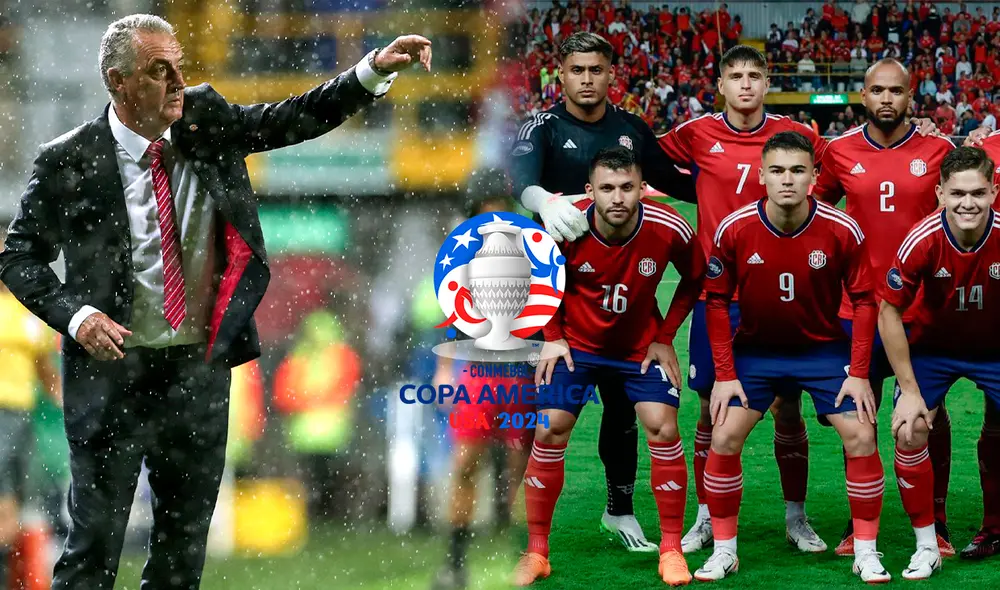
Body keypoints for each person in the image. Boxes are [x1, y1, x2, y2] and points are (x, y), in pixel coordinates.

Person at [0, 14, 431, 589]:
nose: (177, 81)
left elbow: (289, 119)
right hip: (110, 376)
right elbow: (17, 257)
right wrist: (76, 317)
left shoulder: (206, 119)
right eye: (158, 71)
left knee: (181, 556)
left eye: (178, 65)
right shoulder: (69, 160)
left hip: (195, 372)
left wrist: (370, 72)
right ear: (117, 81)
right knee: (92, 551)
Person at [510, 31, 696, 553]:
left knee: (623, 406)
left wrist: (738, 178)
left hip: (618, 287)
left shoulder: (631, 129)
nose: (587, 79)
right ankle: (516, 518)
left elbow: (673, 180)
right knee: (541, 410)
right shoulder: (542, 125)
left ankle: (619, 510)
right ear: (561, 75)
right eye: (577, 70)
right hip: (548, 287)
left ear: (611, 74)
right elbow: (517, 177)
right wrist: (541, 200)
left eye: (596, 70)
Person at [657, 44, 830, 554]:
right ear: (722, 86)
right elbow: (645, 156)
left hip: (782, 294)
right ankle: (707, 515)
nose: (747, 84)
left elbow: (832, 174)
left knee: (787, 407)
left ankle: (796, 516)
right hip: (721, 295)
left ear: (766, 82)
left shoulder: (799, 136)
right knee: (712, 410)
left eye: (755, 75)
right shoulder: (693, 133)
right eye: (736, 76)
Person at [698, 131, 887, 583]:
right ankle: (725, 550)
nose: (788, 180)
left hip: (821, 351)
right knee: (723, 436)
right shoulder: (736, 228)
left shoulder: (842, 229)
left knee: (861, 434)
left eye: (798, 171)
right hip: (757, 354)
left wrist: (859, 374)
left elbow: (865, 301)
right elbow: (717, 301)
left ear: (814, 177)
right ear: (761, 176)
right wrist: (725, 375)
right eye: (778, 171)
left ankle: (866, 551)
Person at [512, 147, 704, 586]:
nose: (617, 198)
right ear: (589, 191)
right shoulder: (563, 223)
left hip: (639, 349)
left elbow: (695, 278)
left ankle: (672, 549)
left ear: (642, 189)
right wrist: (553, 337)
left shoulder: (669, 226)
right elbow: (539, 280)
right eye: (607, 189)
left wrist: (664, 336)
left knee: (663, 427)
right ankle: (537, 552)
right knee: (549, 428)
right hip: (575, 347)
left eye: (626, 188)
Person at [812, 57, 957, 557]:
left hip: (924, 310)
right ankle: (861, 525)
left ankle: (936, 523)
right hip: (859, 310)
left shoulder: (940, 149)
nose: (887, 99)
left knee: (928, 417)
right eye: (878, 90)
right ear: (863, 95)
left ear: (910, 95)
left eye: (897, 91)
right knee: (861, 417)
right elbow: (820, 213)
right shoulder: (837, 151)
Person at [881, 147, 1000, 568]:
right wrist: (909, 390)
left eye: (979, 192)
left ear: (994, 191)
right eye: (957, 193)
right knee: (909, 427)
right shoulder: (922, 238)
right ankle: (930, 540)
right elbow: (889, 311)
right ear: (939, 194)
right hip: (933, 350)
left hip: (994, 350)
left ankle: (994, 527)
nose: (968, 203)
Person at [430, 184, 534, 590]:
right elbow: (451, 317)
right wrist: (442, 371)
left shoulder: (531, 255)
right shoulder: (459, 262)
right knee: (465, 465)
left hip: (518, 372)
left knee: (520, 470)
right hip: (476, 373)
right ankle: (454, 564)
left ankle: (526, 557)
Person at [0, 234, 62, 587]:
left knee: (17, 497)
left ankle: (12, 574)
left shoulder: (25, 311)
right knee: (5, 496)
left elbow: (44, 365)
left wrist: (62, 398)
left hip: (21, 414)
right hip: (1, 413)